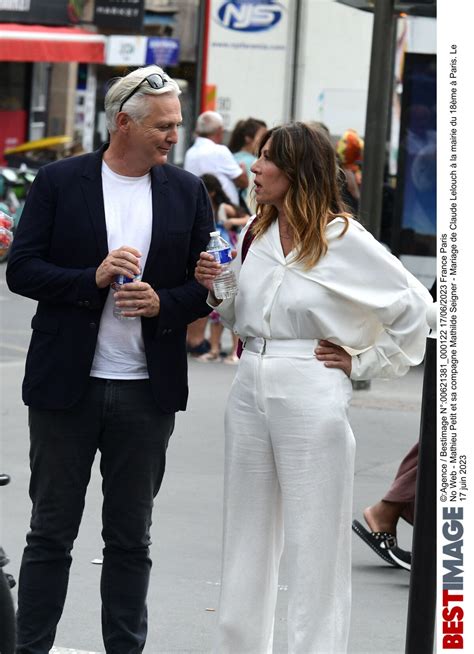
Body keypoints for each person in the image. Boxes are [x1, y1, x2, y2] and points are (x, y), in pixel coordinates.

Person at [195, 122, 432, 653]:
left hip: (310, 381)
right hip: (249, 379)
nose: (253, 168)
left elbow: (418, 309)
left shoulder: (341, 238)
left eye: (266, 159)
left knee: (315, 542)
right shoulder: (255, 230)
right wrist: (217, 289)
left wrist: (364, 360)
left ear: (297, 170)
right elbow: (241, 314)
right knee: (246, 537)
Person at [6, 64, 213, 653]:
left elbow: (206, 286)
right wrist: (89, 278)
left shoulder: (186, 190)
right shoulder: (59, 181)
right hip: (65, 388)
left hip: (147, 391)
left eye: (177, 125)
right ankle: (30, 647)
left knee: (130, 540)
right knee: (50, 534)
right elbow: (20, 269)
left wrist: (164, 303)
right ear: (124, 122)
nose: (175, 136)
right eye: (164, 126)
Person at [184, 111, 248, 356]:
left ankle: (197, 339)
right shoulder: (219, 151)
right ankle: (224, 343)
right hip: (224, 226)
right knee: (224, 280)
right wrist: (242, 170)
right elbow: (242, 180)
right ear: (219, 133)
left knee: (198, 276)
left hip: (197, 218)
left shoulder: (191, 153)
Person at [198, 174, 250, 364]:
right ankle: (214, 348)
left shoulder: (222, 207)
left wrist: (231, 223)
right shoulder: (204, 208)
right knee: (216, 310)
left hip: (227, 254)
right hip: (215, 257)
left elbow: (246, 217)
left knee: (231, 302)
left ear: (211, 192)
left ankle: (234, 352)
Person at [228, 117, 267, 210]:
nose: (266, 141)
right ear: (248, 138)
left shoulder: (230, 157)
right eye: (263, 136)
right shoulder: (253, 162)